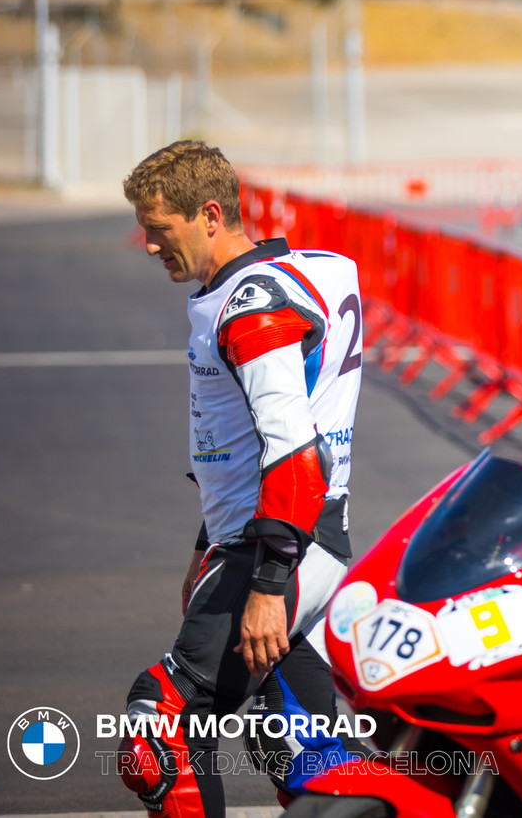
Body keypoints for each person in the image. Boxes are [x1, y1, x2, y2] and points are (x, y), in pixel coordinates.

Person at [118, 141, 363, 818]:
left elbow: (291, 451)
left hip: (279, 548)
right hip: (285, 537)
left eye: (160, 229)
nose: (148, 245)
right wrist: (208, 543)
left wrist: (265, 586)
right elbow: (237, 446)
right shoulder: (285, 275)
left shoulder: (253, 309)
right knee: (301, 744)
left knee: (157, 727)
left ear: (210, 214)